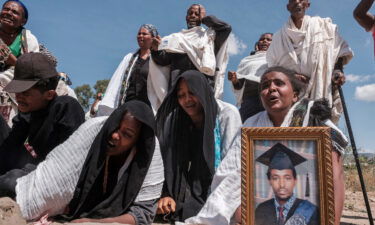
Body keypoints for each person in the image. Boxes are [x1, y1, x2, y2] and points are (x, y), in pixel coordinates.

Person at [186, 66, 347, 225]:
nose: (271, 88)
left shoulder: (313, 120)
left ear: (295, 96)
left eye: (279, 83)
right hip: (264, 201)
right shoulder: (252, 124)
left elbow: (334, 175)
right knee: (242, 214)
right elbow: (233, 170)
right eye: (264, 86)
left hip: (312, 201)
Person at [16, 101, 164, 225]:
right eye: (115, 126)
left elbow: (143, 213)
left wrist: (99, 222)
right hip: (24, 178)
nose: (115, 135)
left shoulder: (146, 157)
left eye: (127, 134)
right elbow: (55, 181)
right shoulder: (94, 132)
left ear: (136, 143)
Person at [155, 70, 241, 223]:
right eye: (181, 95)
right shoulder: (174, 120)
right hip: (183, 194)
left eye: (192, 93)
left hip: (217, 193)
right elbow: (165, 162)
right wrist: (165, 194)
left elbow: (232, 168)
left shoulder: (226, 114)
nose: (187, 100)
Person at [0, 53, 84, 197]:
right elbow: (9, 148)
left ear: (49, 94)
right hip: (31, 167)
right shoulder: (28, 109)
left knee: (11, 181)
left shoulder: (66, 107)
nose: (18, 96)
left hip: (54, 177)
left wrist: (25, 172)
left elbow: (69, 166)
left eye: (25, 92)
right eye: (17, 91)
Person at [267, 0, 353, 123]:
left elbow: (338, 51)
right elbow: (272, 68)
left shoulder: (323, 26)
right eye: (293, 0)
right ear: (288, 7)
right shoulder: (278, 37)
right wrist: (292, 77)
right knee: (293, 133)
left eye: (301, 0)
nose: (297, 2)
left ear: (308, 4)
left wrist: (337, 71)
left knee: (320, 131)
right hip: (292, 95)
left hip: (320, 91)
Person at [150, 4, 231, 99]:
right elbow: (163, 60)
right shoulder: (176, 39)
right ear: (186, 17)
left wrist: (205, 19)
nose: (193, 16)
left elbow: (226, 28)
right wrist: (155, 50)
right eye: (190, 13)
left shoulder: (209, 37)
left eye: (197, 14)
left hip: (202, 90)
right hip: (178, 91)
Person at [97, 24, 160, 116]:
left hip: (147, 108)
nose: (140, 36)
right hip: (128, 106)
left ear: (153, 37)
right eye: (139, 33)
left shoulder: (158, 58)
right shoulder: (129, 58)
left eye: (144, 34)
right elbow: (117, 82)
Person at [255, 143, 318, 225]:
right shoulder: (261, 210)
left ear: (295, 181)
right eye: (275, 178)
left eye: (287, 178)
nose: (282, 185)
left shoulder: (311, 212)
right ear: (269, 181)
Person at [0, 0, 39, 125]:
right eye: (6, 9)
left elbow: (31, 69)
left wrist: (9, 58)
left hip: (15, 79)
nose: (9, 13)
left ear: (23, 21)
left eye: (15, 12)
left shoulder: (27, 38)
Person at [228, 33, 273, 122]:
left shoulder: (276, 58)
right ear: (257, 44)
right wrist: (234, 79)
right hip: (250, 99)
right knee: (246, 130)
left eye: (268, 40)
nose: (264, 41)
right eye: (262, 39)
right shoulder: (247, 60)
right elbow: (239, 85)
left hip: (269, 97)